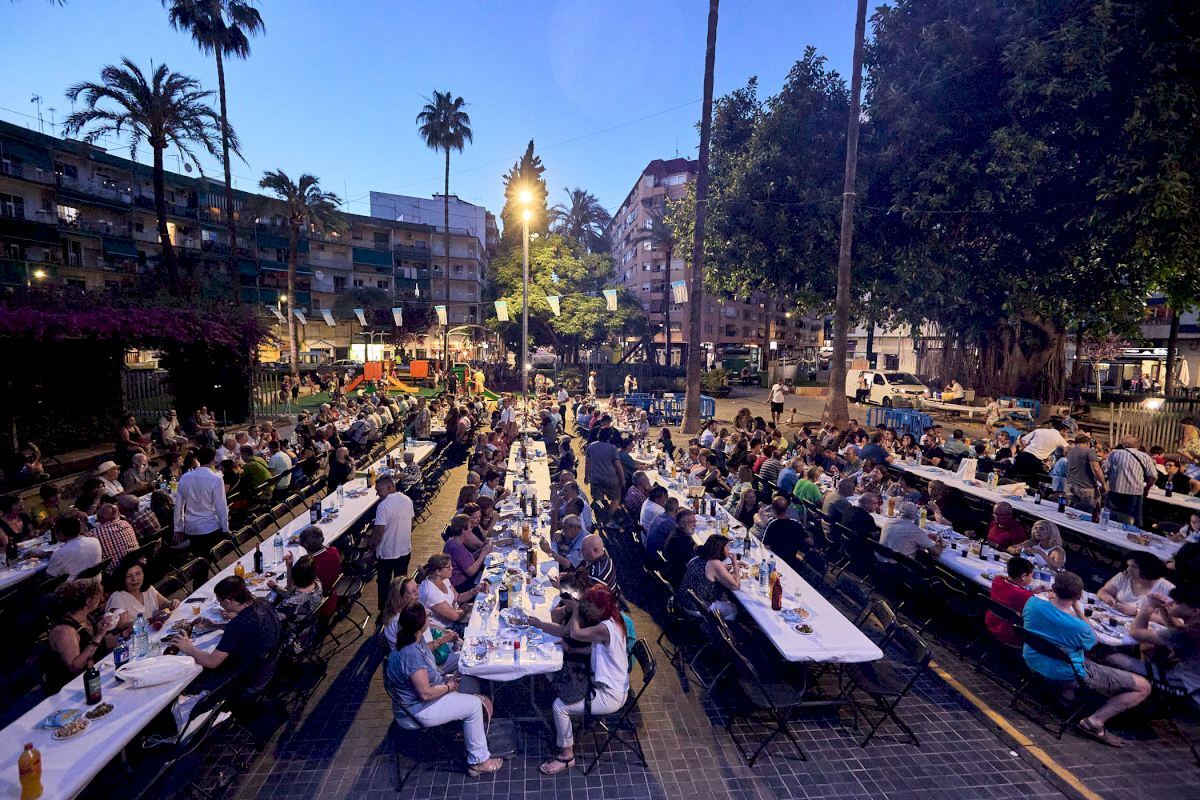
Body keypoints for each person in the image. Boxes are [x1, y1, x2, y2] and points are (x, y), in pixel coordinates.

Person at [1021, 571, 1150, 748]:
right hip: (1065, 671)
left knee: (1075, 652)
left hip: (1033, 659)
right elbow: (1093, 641)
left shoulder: (1032, 603)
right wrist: (1080, 613)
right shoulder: (1079, 627)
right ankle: (1095, 721)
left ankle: (1067, 696)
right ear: (1079, 596)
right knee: (1144, 686)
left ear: (1054, 588)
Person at [385, 604, 503, 776]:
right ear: (420, 624)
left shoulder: (413, 640)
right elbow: (425, 693)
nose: (429, 615)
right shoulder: (411, 654)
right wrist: (447, 688)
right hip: (418, 710)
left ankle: (465, 731)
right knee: (474, 706)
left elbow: (430, 672)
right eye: (427, 615)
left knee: (470, 679)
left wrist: (446, 679)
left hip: (430, 694)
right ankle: (479, 761)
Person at [539, 584, 629, 775]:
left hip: (611, 695)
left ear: (602, 608)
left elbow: (574, 633)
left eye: (591, 607)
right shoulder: (615, 619)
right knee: (560, 672)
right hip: (608, 683)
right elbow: (599, 650)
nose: (588, 610)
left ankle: (566, 756)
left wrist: (577, 608)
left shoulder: (605, 627)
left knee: (559, 706)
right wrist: (572, 650)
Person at [169, 575, 282, 696]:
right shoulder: (263, 603)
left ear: (227, 601)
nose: (220, 605)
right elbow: (248, 630)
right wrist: (216, 626)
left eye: (219, 601)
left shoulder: (237, 625)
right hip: (269, 668)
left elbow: (212, 662)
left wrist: (188, 648)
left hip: (248, 679)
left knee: (190, 679)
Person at [45, 579, 118, 692]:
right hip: (71, 689)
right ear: (89, 601)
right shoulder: (64, 631)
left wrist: (124, 632)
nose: (102, 599)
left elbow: (98, 646)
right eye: (99, 597)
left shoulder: (86, 618)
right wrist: (98, 636)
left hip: (92, 677)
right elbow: (75, 667)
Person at [173, 446, 229, 557]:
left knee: (199, 558)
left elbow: (178, 505)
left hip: (191, 527)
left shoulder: (185, 477)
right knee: (207, 559)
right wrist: (225, 528)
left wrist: (178, 527)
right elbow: (220, 506)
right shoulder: (216, 479)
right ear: (213, 460)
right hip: (209, 526)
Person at [268, 554, 324, 655]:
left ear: (295, 578)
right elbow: (292, 591)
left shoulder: (290, 604)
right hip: (310, 632)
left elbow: (269, 621)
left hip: (294, 643)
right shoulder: (317, 584)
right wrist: (289, 567)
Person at [372, 475, 414, 608]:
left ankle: (384, 611)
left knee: (384, 584)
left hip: (386, 552)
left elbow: (379, 531)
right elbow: (411, 521)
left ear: (389, 488)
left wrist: (372, 548)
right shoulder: (407, 500)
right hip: (404, 549)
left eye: (379, 490)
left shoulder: (383, 506)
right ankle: (402, 607)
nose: (377, 493)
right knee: (401, 584)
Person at [679, 533, 740, 621]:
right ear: (720, 549)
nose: (729, 549)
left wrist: (731, 566)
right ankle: (719, 630)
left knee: (725, 597)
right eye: (727, 547)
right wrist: (735, 565)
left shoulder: (698, 557)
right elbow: (736, 586)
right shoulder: (715, 563)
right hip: (696, 607)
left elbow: (714, 570)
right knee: (733, 608)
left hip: (684, 599)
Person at [107, 555, 178, 630]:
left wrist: (172, 604)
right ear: (122, 578)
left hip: (157, 630)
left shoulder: (148, 588)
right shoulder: (117, 596)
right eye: (129, 576)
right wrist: (146, 621)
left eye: (138, 574)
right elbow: (122, 626)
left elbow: (164, 604)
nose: (134, 579)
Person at [1096, 552, 1175, 615]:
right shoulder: (1124, 576)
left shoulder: (1167, 588)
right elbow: (1103, 591)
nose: (1128, 569)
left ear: (1147, 569)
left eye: (1134, 567)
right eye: (1128, 566)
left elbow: (1175, 622)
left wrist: (1136, 612)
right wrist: (1107, 598)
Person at [1104, 435, 1157, 527]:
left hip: (1116, 491)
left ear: (1124, 444)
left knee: (1112, 519)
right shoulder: (1145, 457)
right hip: (1135, 493)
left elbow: (1104, 469)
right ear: (1138, 445)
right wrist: (1147, 489)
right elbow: (1153, 476)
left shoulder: (1115, 453)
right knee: (1133, 521)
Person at [984, 556, 1035, 648]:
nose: (1032, 578)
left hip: (991, 621)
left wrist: (1033, 591)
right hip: (1010, 633)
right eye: (1032, 575)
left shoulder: (997, 581)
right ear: (1023, 576)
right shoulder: (1026, 596)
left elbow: (1010, 590)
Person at [443, 515, 492, 592]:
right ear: (463, 531)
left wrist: (481, 550)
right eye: (470, 527)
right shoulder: (456, 548)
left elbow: (467, 559)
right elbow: (471, 572)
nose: (470, 530)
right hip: (462, 585)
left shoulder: (453, 541)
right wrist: (483, 554)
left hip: (464, 581)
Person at [46, 514, 103, 580]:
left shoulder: (59, 554)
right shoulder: (94, 540)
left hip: (75, 588)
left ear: (61, 534)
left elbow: (51, 576)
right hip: (96, 581)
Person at [880, 501, 944, 558]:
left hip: (879, 560)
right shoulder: (915, 531)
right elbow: (937, 552)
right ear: (915, 516)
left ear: (899, 512)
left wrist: (924, 536)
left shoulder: (888, 521)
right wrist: (939, 540)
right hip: (898, 566)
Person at [585, 429, 624, 523]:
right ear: (609, 437)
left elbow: (587, 463)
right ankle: (608, 517)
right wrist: (622, 479)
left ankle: (600, 519)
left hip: (595, 479)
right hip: (610, 479)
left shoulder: (591, 446)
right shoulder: (612, 448)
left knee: (598, 501)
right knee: (616, 499)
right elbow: (618, 467)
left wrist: (586, 476)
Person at [761, 495, 811, 568]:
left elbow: (766, 545)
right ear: (787, 508)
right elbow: (809, 541)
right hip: (791, 561)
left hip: (775, 561)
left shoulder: (772, 525)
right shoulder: (797, 525)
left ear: (773, 510)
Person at [88, 502, 139, 570]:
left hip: (115, 572)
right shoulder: (126, 524)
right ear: (117, 515)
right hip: (137, 564)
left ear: (99, 517)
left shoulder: (94, 534)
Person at [1063, 435, 1105, 512]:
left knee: (1070, 511)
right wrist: (1103, 484)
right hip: (1085, 487)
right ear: (1087, 442)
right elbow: (1096, 468)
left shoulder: (1070, 451)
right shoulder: (1089, 451)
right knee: (1090, 512)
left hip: (1070, 485)